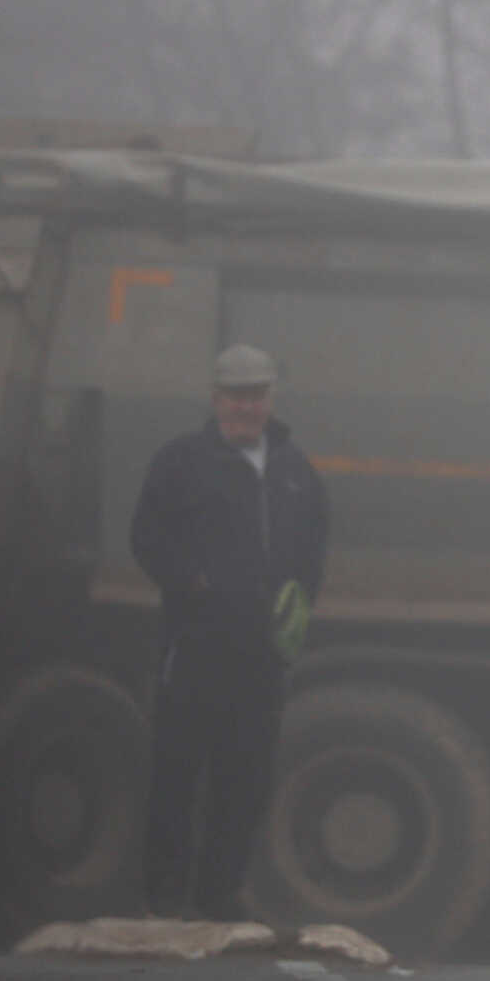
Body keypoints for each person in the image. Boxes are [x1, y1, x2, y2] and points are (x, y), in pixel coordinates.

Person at [130, 344, 330, 922]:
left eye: (256, 396)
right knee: (176, 774)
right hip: (194, 647)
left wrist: (297, 609)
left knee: (244, 780)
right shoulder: (180, 462)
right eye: (235, 396)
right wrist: (192, 581)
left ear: (271, 400)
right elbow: (145, 538)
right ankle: (163, 895)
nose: (246, 407)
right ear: (215, 399)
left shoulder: (295, 471)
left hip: (262, 658)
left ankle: (220, 892)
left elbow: (314, 548)